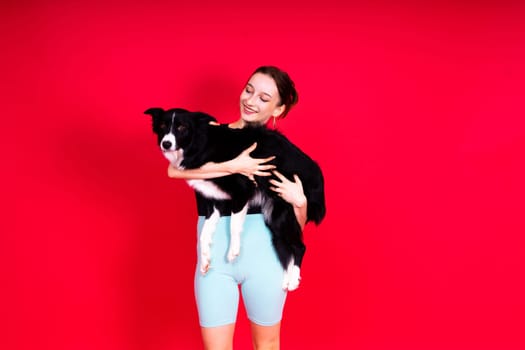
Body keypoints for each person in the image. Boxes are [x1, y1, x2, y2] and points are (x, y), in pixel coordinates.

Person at [167, 66, 307, 350]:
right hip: (214, 261)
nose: (251, 100)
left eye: (264, 98)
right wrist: (234, 165)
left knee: (267, 345)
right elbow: (174, 169)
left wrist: (300, 202)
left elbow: (296, 227)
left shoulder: (282, 152)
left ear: (278, 110)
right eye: (249, 90)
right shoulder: (210, 134)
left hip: (267, 259)